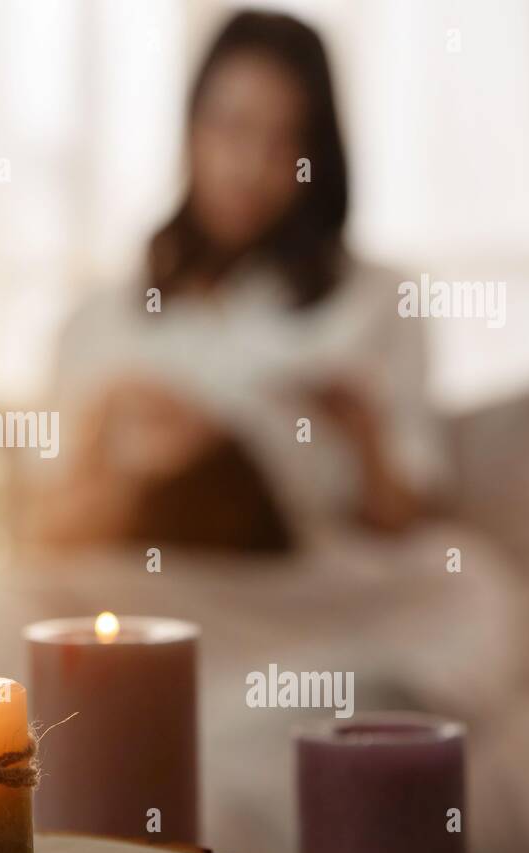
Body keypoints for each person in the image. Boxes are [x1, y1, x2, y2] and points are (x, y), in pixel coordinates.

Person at [29, 10, 445, 551]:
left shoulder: (380, 300)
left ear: (317, 156)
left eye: (283, 140)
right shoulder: (102, 320)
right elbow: (46, 535)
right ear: (192, 131)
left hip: (315, 598)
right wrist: (108, 440)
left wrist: (360, 431)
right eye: (232, 128)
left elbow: (407, 512)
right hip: (147, 593)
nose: (250, 166)